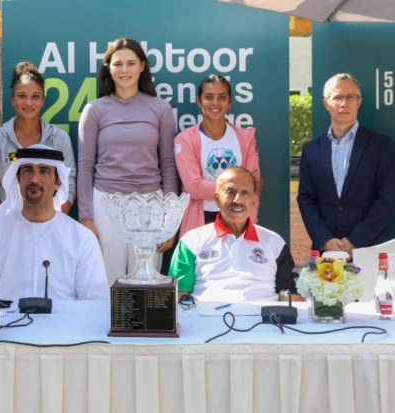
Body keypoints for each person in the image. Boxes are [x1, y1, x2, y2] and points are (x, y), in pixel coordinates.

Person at [78, 37, 178, 286]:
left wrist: (169, 219)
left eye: (131, 63)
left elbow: (168, 165)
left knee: (145, 286)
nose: (124, 70)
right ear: (108, 68)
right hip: (106, 205)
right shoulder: (94, 109)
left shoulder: (161, 108)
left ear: (142, 66)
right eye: (118, 64)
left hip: (150, 207)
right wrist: (86, 218)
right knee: (108, 283)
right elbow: (85, 167)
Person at [0, 145, 109, 302]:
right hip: (8, 324)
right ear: (18, 179)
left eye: (44, 171)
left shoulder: (82, 238)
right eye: (27, 170)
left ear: (58, 183)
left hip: (65, 325)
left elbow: (95, 301)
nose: (34, 179)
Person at [297, 73, 395, 258]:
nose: (344, 103)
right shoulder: (311, 150)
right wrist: (325, 239)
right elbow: (306, 199)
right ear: (326, 103)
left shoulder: (381, 146)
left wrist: (355, 241)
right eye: (337, 97)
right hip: (326, 252)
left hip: (371, 249)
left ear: (359, 102)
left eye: (350, 97)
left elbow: (386, 198)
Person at [169, 167, 301, 302]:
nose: (237, 200)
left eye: (245, 193)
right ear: (216, 199)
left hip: (265, 320)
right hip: (207, 319)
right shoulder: (191, 241)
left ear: (254, 201)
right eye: (230, 192)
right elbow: (179, 295)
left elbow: (290, 294)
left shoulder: (274, 242)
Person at [0, 62, 77, 216]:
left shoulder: (60, 139)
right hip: (8, 231)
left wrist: (53, 224)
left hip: (50, 230)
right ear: (12, 99)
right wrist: (6, 227)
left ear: (43, 100)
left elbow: (68, 186)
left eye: (35, 97)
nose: (28, 103)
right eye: (22, 96)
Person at [174, 74, 262, 237]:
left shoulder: (245, 138)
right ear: (199, 101)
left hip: (239, 219)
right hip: (200, 220)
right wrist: (241, 188)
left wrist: (251, 221)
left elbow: (253, 189)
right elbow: (194, 188)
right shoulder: (185, 139)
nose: (215, 103)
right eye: (208, 97)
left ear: (230, 102)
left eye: (222, 97)